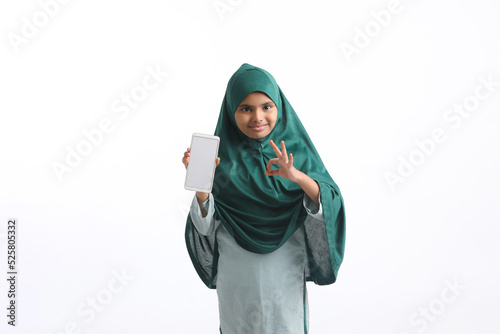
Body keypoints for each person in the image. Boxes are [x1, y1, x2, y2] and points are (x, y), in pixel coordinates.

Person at [182, 63, 345, 333]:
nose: (257, 117)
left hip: (284, 274)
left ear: (279, 107)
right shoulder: (219, 162)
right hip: (237, 277)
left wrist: (297, 177)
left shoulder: (297, 156)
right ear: (231, 111)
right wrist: (203, 184)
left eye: (266, 106)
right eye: (246, 108)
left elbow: (328, 203)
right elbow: (204, 228)